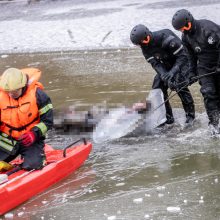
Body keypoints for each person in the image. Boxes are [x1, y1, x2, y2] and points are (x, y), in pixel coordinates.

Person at [130, 24, 195, 127]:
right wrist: (164, 75)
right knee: (157, 87)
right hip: (166, 65)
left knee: (179, 84)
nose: (141, 46)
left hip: (182, 63)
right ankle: (167, 118)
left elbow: (183, 56)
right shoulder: (144, 48)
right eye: (138, 44)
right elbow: (155, 64)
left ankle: (190, 117)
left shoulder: (166, 38)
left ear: (147, 37)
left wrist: (172, 73)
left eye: (141, 43)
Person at [172, 9, 220, 135]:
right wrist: (192, 73)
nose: (185, 31)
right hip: (204, 67)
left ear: (190, 21)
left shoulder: (209, 28)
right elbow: (191, 56)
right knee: (208, 93)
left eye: (185, 27)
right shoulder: (186, 37)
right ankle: (215, 124)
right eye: (181, 30)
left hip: (218, 63)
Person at [0, 67, 53, 171]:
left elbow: (48, 121)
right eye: (8, 92)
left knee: (33, 166)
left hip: (30, 140)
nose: (11, 94)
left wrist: (34, 133)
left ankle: (35, 157)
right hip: (7, 140)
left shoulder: (38, 95)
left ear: (23, 85)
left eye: (15, 91)